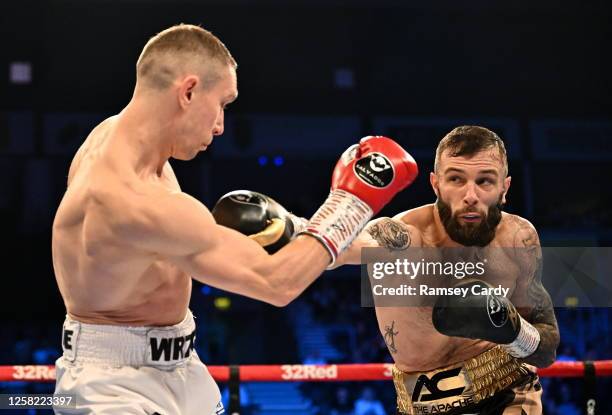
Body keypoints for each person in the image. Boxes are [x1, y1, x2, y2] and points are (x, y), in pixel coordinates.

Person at [51, 24, 418, 415]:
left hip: (180, 365)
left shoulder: (117, 141)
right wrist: (351, 202)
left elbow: (284, 248)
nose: (221, 125)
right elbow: (277, 282)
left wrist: (384, 247)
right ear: (188, 91)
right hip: (112, 389)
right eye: (223, 103)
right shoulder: (135, 202)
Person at [335, 126, 560, 414]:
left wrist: (513, 330)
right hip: (422, 405)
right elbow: (339, 249)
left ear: (505, 188)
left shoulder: (519, 237)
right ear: (435, 184)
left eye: (485, 181)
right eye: (456, 179)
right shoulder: (404, 236)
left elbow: (547, 348)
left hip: (510, 392)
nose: (470, 195)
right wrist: (290, 224)